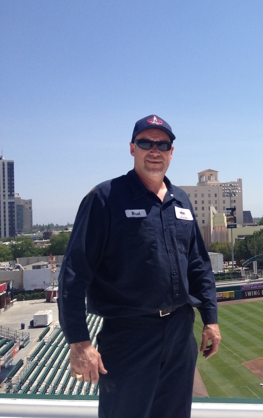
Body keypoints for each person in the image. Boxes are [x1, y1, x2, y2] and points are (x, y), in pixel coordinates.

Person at [58, 114, 221, 418]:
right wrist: (79, 342)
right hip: (130, 336)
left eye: (163, 144)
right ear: (132, 148)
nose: (155, 150)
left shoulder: (181, 201)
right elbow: (73, 274)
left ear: (172, 151)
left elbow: (198, 265)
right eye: (146, 143)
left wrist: (210, 319)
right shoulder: (105, 198)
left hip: (180, 332)